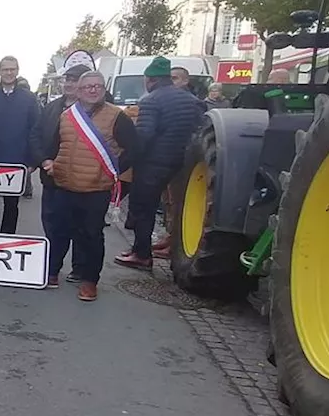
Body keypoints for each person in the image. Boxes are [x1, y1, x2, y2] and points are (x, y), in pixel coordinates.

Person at [38, 70, 137, 301]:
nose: (93, 90)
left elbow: (134, 149)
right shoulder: (67, 116)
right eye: (88, 86)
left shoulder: (117, 117)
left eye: (98, 86)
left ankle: (89, 281)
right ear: (79, 91)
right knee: (58, 231)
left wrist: (113, 171)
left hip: (96, 189)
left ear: (104, 89)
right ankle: (52, 272)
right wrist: (49, 162)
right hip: (64, 185)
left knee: (91, 236)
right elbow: (53, 144)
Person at [114, 56, 205, 270]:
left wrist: (122, 163)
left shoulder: (151, 100)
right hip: (182, 163)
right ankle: (160, 247)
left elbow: (144, 136)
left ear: (150, 79)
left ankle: (141, 254)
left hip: (154, 163)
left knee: (143, 207)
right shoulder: (190, 99)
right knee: (174, 207)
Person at [31, 53, 92, 283]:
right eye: (67, 79)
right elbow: (36, 135)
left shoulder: (91, 111)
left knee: (79, 226)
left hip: (79, 179)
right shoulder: (52, 107)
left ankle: (79, 268)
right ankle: (52, 267)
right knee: (52, 223)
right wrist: (43, 160)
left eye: (75, 80)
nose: (69, 84)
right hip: (51, 176)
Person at [0, 55, 39, 233]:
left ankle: (7, 242)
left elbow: (35, 129)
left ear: (17, 71)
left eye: (12, 69)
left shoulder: (29, 99)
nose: (9, 73)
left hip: (17, 160)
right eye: (5, 69)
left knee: (11, 206)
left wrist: (32, 161)